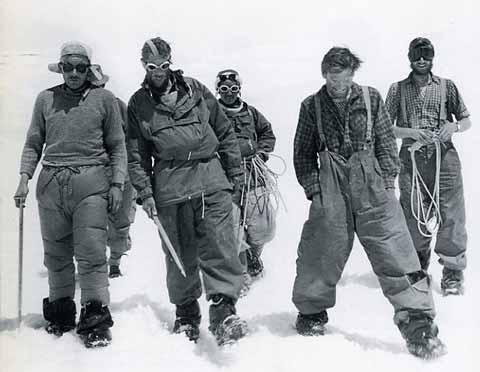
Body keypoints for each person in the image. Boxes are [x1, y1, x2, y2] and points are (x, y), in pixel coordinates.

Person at [292, 47, 444, 359]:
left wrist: (387, 180)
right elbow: (302, 152)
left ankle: (418, 323)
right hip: (331, 184)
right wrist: (315, 189)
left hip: (372, 182)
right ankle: (311, 312)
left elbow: (387, 140)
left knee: (396, 250)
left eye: (344, 77)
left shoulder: (371, 98)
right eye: (333, 77)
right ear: (325, 74)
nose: (338, 84)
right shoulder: (311, 106)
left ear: (352, 74)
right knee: (321, 249)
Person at [126, 37, 248, 345]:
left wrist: (235, 173)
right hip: (170, 185)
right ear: (144, 66)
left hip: (210, 178)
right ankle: (186, 315)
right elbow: (136, 154)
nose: (158, 72)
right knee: (179, 253)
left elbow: (224, 131)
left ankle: (224, 314)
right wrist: (145, 192)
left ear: (170, 62)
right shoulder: (139, 104)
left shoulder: (195, 89)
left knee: (220, 246)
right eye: (151, 67)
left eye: (163, 65)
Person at [13, 41, 127, 348]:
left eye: (80, 67)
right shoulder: (45, 99)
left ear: (88, 69)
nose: (74, 73)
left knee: (90, 252)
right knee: (56, 254)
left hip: (91, 180)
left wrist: (117, 184)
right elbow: (33, 143)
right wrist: (24, 178)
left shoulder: (104, 100)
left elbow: (117, 145)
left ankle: (95, 318)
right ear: (60, 68)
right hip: (50, 183)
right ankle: (61, 313)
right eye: (68, 67)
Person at [385, 37, 471, 296]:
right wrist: (411, 132)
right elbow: (386, 127)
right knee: (413, 214)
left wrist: (452, 126)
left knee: (452, 213)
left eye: (426, 55)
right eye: (417, 55)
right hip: (411, 159)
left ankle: (453, 273)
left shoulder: (447, 86)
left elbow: (466, 120)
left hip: (444, 158)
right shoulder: (397, 89)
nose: (421, 60)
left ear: (433, 57)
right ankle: (416, 269)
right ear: (409, 57)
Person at [214, 69, 277, 292]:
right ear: (217, 90)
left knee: (264, 225)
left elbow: (267, 133)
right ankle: (239, 273)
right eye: (224, 89)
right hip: (224, 178)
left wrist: (262, 153)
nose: (229, 93)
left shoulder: (251, 113)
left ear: (239, 89)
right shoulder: (212, 114)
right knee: (230, 227)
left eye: (233, 89)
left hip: (253, 175)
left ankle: (253, 256)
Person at [89, 65, 138, 279]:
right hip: (91, 174)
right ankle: (92, 265)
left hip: (121, 173)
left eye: (101, 85)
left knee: (121, 221)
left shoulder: (119, 106)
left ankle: (115, 262)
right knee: (89, 222)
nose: (99, 89)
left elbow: (134, 140)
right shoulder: (79, 109)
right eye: (93, 86)